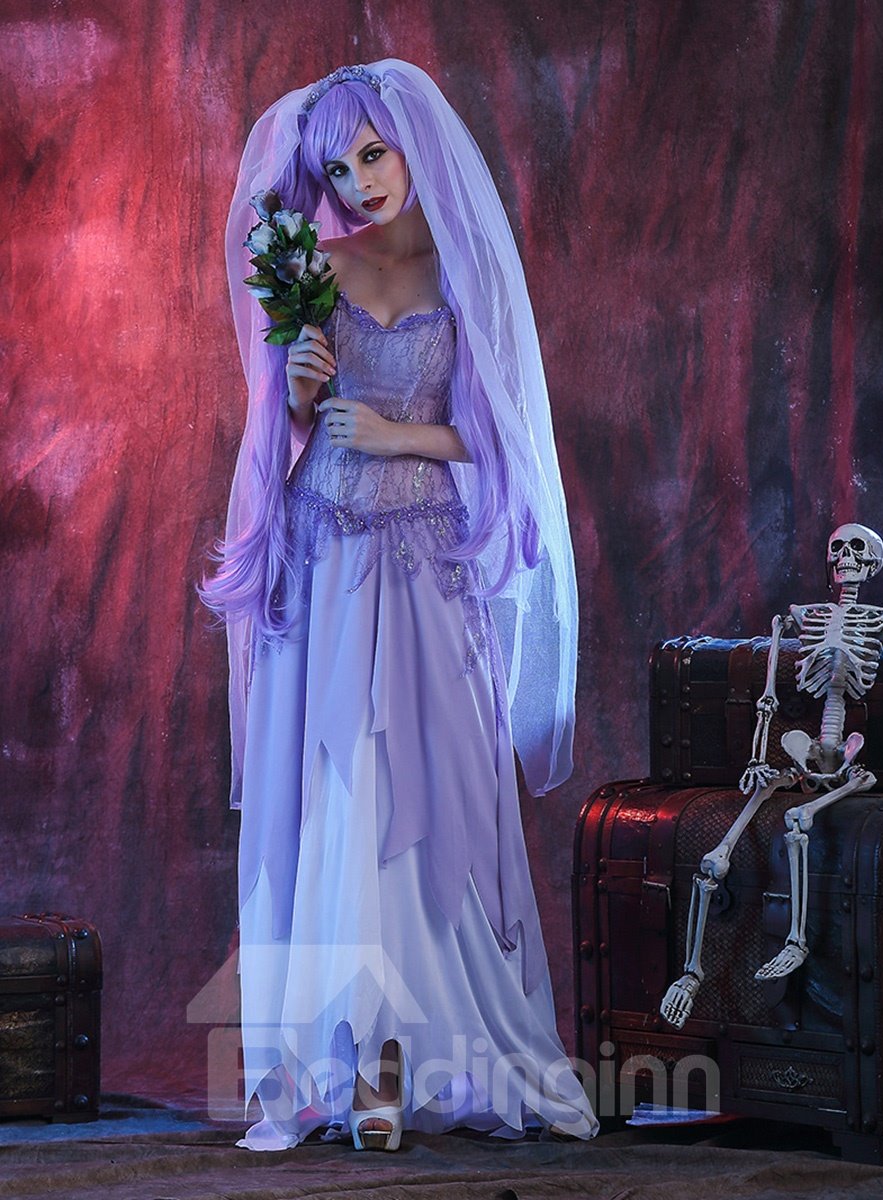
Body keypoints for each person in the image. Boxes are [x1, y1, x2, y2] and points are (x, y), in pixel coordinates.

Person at [202, 59, 598, 1151]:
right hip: (325, 562)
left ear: (413, 142)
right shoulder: (313, 268)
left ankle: (438, 1055)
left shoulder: (465, 269)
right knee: (340, 799)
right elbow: (283, 437)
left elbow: (504, 442)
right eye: (339, 168)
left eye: (373, 154)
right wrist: (299, 392)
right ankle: (360, 1070)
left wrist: (396, 435)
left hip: (425, 562)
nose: (360, 182)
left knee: (429, 800)